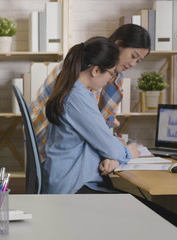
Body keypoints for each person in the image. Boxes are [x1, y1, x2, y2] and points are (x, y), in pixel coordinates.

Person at [29, 24, 150, 163]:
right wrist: (119, 152)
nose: (133, 63)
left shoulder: (116, 78)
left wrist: (113, 151)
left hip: (74, 151)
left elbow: (101, 126)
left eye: (139, 61)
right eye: (133, 56)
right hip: (55, 148)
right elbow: (91, 125)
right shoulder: (81, 73)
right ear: (118, 44)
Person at [42, 36, 140, 194]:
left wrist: (112, 156)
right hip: (73, 187)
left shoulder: (76, 91)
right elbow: (109, 146)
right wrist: (129, 152)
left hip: (72, 180)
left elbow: (100, 138)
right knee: (160, 215)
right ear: (95, 70)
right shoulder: (77, 97)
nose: (110, 79)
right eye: (110, 73)